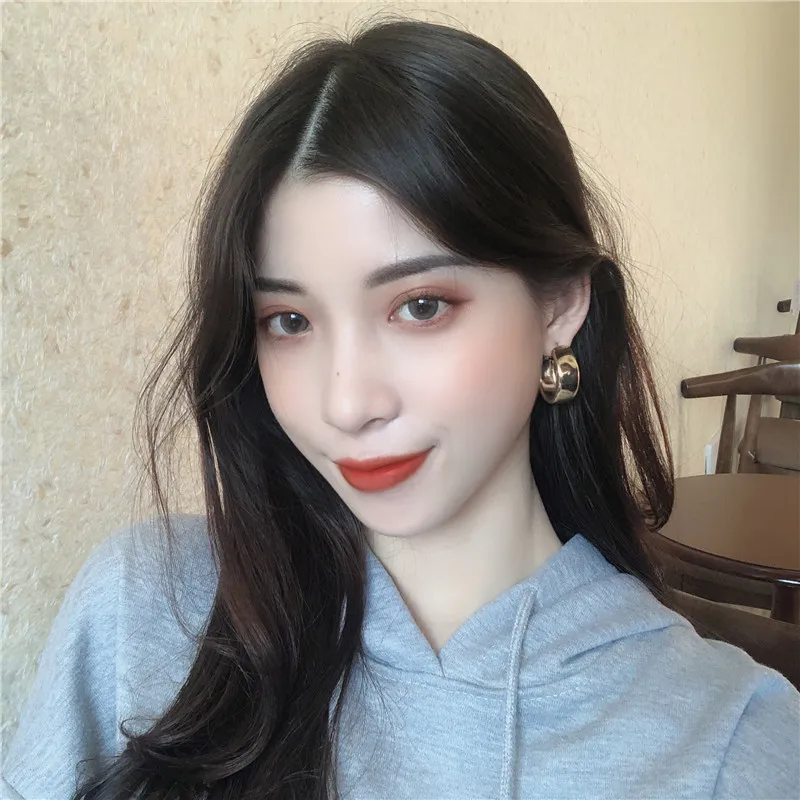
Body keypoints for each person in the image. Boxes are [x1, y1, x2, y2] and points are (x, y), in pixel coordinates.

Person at [3, 16, 798, 800]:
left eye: (420, 306)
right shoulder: (143, 609)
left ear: (559, 303)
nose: (347, 403)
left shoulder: (733, 744)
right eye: (290, 321)